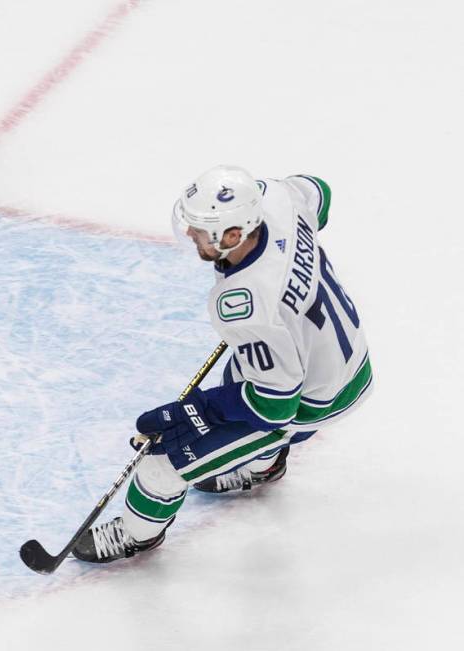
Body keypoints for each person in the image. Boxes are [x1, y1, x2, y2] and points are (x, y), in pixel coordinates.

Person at [72, 165, 373, 563]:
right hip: (341, 355)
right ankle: (263, 467)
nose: (191, 234)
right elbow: (321, 193)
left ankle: (134, 534)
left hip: (318, 397)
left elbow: (277, 405)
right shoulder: (279, 199)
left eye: (200, 229)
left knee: (162, 465)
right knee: (242, 375)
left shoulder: (245, 305)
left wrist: (197, 411)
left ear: (233, 234)